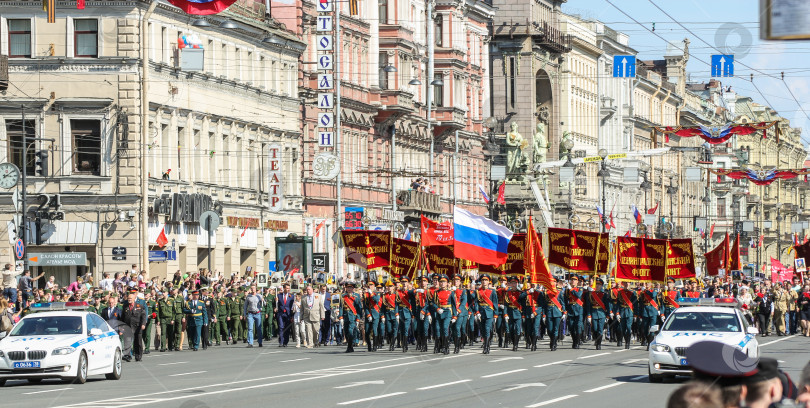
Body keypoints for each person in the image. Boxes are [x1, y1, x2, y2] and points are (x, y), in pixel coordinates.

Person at [585, 277, 611, 350]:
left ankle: (598, 344)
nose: (597, 286)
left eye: (599, 284)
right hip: (593, 313)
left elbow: (607, 306)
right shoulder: (591, 294)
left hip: (601, 313)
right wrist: (589, 315)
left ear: (601, 285)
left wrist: (608, 315)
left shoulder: (604, 294)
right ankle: (596, 339)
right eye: (596, 284)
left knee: (600, 329)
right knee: (595, 329)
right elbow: (589, 305)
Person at [122, 288, 148, 362]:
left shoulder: (139, 305)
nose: (129, 299)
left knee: (138, 342)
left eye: (130, 298)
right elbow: (122, 317)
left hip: (137, 326)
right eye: (128, 298)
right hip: (128, 326)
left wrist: (143, 324)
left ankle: (138, 355)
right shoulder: (125, 306)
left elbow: (143, 315)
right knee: (127, 341)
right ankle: (128, 355)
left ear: (134, 298)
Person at [475, 275, 498, 354]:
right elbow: (476, 303)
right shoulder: (478, 291)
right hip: (481, 312)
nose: (484, 282)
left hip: (489, 312)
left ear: (488, 282)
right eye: (483, 280)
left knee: (487, 329)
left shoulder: (492, 291)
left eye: (486, 280)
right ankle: (485, 343)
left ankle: (486, 346)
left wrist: (495, 314)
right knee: (482, 330)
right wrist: (477, 312)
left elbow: (495, 303)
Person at [339, 281, 363, 353]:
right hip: (346, 316)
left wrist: (358, 318)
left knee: (350, 331)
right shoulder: (343, 296)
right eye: (348, 287)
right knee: (346, 332)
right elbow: (341, 307)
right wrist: (341, 317)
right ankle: (350, 346)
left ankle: (350, 346)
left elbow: (359, 308)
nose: (349, 289)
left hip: (353, 316)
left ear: (353, 288)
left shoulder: (356, 296)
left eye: (350, 287)